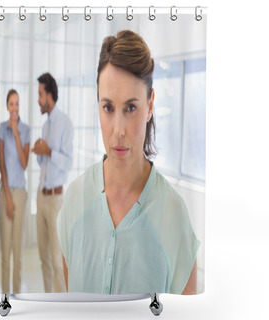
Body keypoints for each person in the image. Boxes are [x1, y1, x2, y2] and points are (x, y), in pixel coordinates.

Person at [57, 30, 200, 295]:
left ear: (150, 106)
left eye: (131, 108)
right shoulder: (75, 199)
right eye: (108, 108)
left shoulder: (173, 215)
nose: (118, 130)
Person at [31, 73, 74, 293]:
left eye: (40, 94)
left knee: (57, 261)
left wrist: (47, 150)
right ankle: (48, 304)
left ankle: (61, 309)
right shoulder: (45, 127)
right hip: (41, 196)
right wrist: (40, 151)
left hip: (57, 200)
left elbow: (68, 162)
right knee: (44, 258)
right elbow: (44, 163)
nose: (38, 100)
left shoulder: (65, 123)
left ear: (49, 95)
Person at [0, 89, 30, 294]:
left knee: (17, 253)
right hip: (6, 194)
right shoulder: (2, 129)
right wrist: (8, 198)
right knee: (5, 254)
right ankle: (4, 299)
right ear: (7, 106)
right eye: (11, 104)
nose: (15, 108)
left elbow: (24, 163)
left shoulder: (25, 130)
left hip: (21, 194)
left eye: (17, 104)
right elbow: (2, 165)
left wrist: (16, 133)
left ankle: (17, 297)